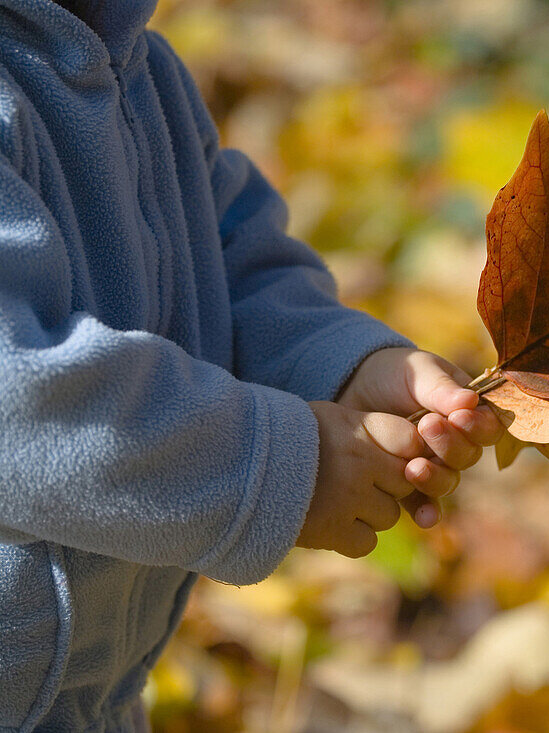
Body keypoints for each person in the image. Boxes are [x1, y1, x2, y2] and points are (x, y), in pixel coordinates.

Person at [0, 0, 502, 729]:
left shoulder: (141, 70)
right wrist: (279, 461)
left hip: (90, 697)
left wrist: (338, 362)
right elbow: (17, 398)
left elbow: (229, 265)